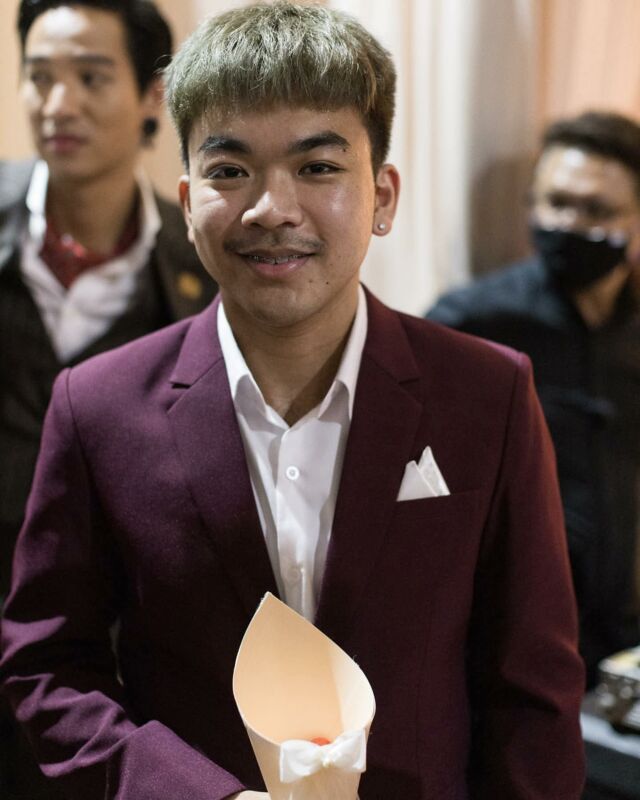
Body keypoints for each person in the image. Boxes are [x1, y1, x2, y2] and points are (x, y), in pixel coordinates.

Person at [1, 3, 585, 799]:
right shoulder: (97, 407)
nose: (271, 208)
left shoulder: (488, 395)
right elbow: (49, 665)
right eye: (230, 170)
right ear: (187, 201)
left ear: (382, 196)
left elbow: (534, 691)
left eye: (316, 168)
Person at [0, 1, 215, 797]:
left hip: (105, 663)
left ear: (153, 96)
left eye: (91, 78)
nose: (59, 104)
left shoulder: (201, 269)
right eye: (40, 77)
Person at [428, 111, 640, 687]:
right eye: (556, 203)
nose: (569, 223)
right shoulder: (473, 323)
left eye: (596, 210)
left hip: (622, 639)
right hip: (509, 642)